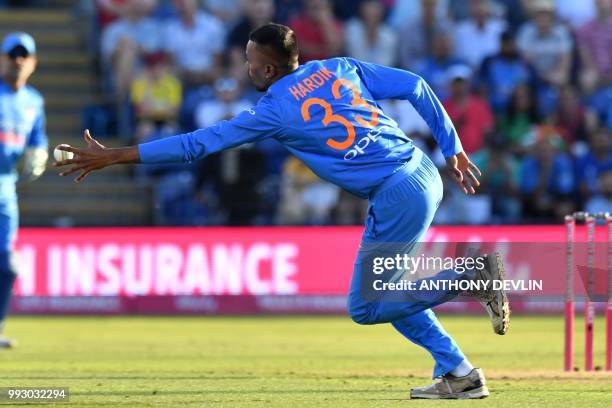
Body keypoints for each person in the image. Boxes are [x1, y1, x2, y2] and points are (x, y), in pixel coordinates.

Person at [55, 23, 510, 399]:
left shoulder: (273, 109)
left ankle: (471, 278)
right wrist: (451, 148)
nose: (246, 66)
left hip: (396, 193)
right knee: (389, 294)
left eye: (250, 60)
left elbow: (196, 145)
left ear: (268, 68)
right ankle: (459, 373)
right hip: (422, 171)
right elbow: (415, 85)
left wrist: (119, 155)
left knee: (367, 306)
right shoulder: (340, 67)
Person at [0, 32, 48, 348]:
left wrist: (40, 154)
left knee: (8, 264)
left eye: (23, 55)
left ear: (33, 63)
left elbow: (37, 141)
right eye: (12, 54)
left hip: (6, 189)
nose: (18, 60)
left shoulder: (34, 102)